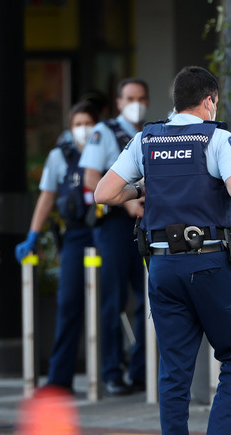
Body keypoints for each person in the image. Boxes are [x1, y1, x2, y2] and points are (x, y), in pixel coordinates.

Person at [94, 66, 231, 435]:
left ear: (173, 101)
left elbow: (103, 193)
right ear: (210, 100)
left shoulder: (147, 138)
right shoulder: (216, 137)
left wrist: (143, 188)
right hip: (209, 264)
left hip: (162, 268)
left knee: (174, 372)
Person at [14, 101, 101, 392]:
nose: (83, 129)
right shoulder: (59, 156)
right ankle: (59, 379)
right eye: (78, 123)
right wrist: (32, 235)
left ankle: (119, 374)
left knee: (113, 303)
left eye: (88, 122)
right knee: (69, 303)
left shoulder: (109, 147)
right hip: (77, 234)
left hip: (106, 230)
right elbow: (47, 197)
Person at [79, 77, 150, 396]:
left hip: (146, 222)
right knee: (114, 300)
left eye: (141, 97)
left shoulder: (151, 133)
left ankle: (140, 370)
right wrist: (128, 201)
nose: (136, 102)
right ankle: (111, 371)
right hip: (114, 226)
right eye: (130, 97)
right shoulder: (104, 132)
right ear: (119, 102)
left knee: (149, 298)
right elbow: (92, 179)